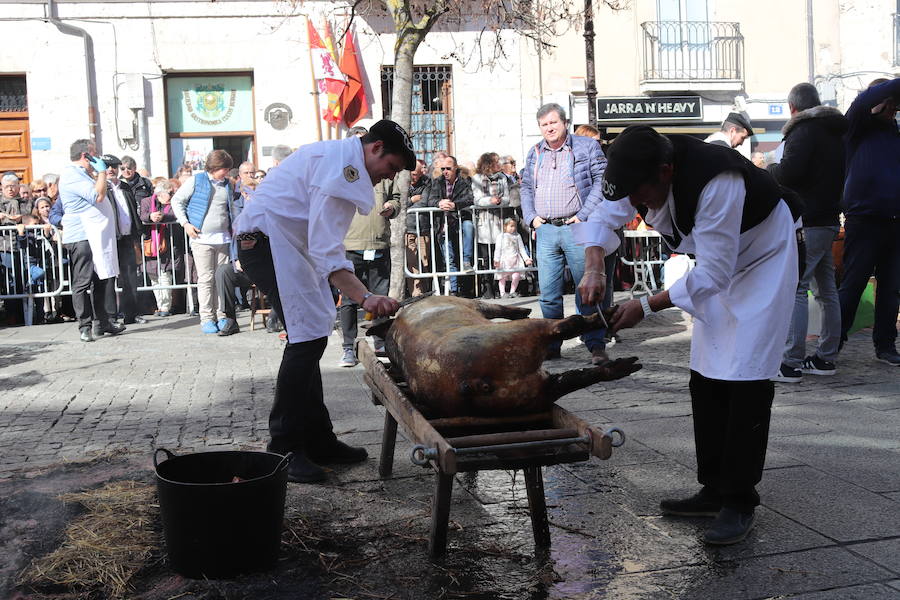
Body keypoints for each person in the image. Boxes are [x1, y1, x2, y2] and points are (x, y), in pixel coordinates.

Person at [577, 125, 800, 545]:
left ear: (665, 172)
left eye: (640, 194)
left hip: (762, 257)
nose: (635, 205)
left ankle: (738, 500)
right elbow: (601, 217)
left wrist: (644, 306)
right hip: (715, 265)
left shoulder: (717, 181)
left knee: (747, 377)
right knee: (708, 372)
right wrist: (593, 266)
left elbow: (714, 271)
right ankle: (713, 488)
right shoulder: (632, 172)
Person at [233, 119, 413, 483]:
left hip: (284, 244)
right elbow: (328, 251)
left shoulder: (336, 157)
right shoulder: (341, 173)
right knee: (306, 341)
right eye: (390, 168)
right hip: (270, 245)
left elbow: (321, 245)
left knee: (312, 337)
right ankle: (284, 447)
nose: (386, 178)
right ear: (375, 148)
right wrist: (365, 296)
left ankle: (318, 439)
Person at [767, 83, 847, 382]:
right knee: (827, 290)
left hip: (808, 221)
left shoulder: (803, 131)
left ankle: (790, 362)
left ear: (792, 108)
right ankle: (826, 358)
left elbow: (788, 174)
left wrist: (769, 167)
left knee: (796, 287)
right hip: (827, 219)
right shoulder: (836, 133)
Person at [520, 102, 609, 363]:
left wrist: (582, 215)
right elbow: (525, 186)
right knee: (548, 294)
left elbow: (602, 181)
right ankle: (551, 347)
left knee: (588, 291)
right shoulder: (535, 152)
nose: (549, 128)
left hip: (576, 228)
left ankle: (595, 346)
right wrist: (531, 218)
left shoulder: (586, 146)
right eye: (544, 124)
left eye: (553, 123)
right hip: (546, 229)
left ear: (565, 123)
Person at [837, 77, 900, 366]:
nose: (893, 109)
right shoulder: (857, 125)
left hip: (894, 219)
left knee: (891, 286)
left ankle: (886, 345)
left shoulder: (894, 133)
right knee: (853, 282)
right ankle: (833, 342)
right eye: (889, 103)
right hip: (864, 217)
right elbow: (865, 102)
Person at [58, 139, 125, 342]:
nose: (97, 157)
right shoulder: (71, 175)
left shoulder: (85, 174)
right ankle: (84, 326)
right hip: (81, 235)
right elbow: (97, 195)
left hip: (95, 235)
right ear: (85, 155)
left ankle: (102, 323)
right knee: (82, 281)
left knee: (101, 281)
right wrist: (102, 173)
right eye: (94, 153)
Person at [338, 170, 401, 367]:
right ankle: (348, 347)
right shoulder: (344, 171)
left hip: (379, 244)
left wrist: (392, 206)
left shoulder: (383, 170)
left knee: (381, 295)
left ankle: (381, 343)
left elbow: (396, 198)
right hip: (351, 244)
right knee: (349, 299)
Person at [171, 149, 235, 334]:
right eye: (225, 168)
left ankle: (222, 315)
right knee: (206, 279)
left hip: (223, 238)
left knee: (221, 280)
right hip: (202, 239)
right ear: (215, 167)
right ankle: (207, 318)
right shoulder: (196, 181)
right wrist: (186, 224)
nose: (227, 172)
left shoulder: (227, 184)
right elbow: (177, 201)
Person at [103, 154, 147, 325]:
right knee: (109, 279)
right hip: (110, 239)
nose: (111, 170)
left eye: (115, 167)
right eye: (107, 166)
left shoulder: (125, 187)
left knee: (130, 278)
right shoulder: (101, 189)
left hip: (127, 238)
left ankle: (131, 314)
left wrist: (137, 233)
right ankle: (110, 316)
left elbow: (132, 211)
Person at [422, 155, 475, 295]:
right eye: (443, 168)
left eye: (448, 168)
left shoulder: (465, 181)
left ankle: (466, 261)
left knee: (469, 226)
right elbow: (430, 199)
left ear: (455, 168)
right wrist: (439, 203)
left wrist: (454, 205)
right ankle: (453, 290)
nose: (445, 171)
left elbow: (470, 198)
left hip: (460, 221)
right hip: (442, 224)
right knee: (449, 258)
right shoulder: (437, 182)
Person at [140, 179, 180, 317]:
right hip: (150, 244)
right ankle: (160, 305)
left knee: (164, 275)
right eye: (169, 193)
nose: (171, 195)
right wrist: (151, 217)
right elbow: (142, 216)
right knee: (153, 277)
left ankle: (165, 307)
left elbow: (176, 215)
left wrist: (164, 216)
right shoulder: (146, 202)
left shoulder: (173, 202)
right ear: (161, 193)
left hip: (167, 245)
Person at [404, 158, 433, 297]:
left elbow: (424, 202)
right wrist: (411, 200)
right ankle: (416, 292)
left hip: (423, 227)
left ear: (421, 173)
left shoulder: (427, 182)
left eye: (415, 174)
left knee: (425, 261)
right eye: (411, 173)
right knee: (412, 262)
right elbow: (400, 204)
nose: (412, 177)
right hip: (407, 228)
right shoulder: (402, 182)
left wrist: (408, 204)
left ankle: (426, 291)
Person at [494, 217, 532, 298]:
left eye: (514, 226)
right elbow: (497, 249)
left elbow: (521, 249)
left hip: (515, 260)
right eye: (511, 226)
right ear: (505, 226)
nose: (513, 228)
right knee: (502, 277)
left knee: (516, 275)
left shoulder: (517, 236)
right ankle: (502, 293)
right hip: (504, 260)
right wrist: (496, 260)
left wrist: (526, 259)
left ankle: (512, 292)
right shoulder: (501, 236)